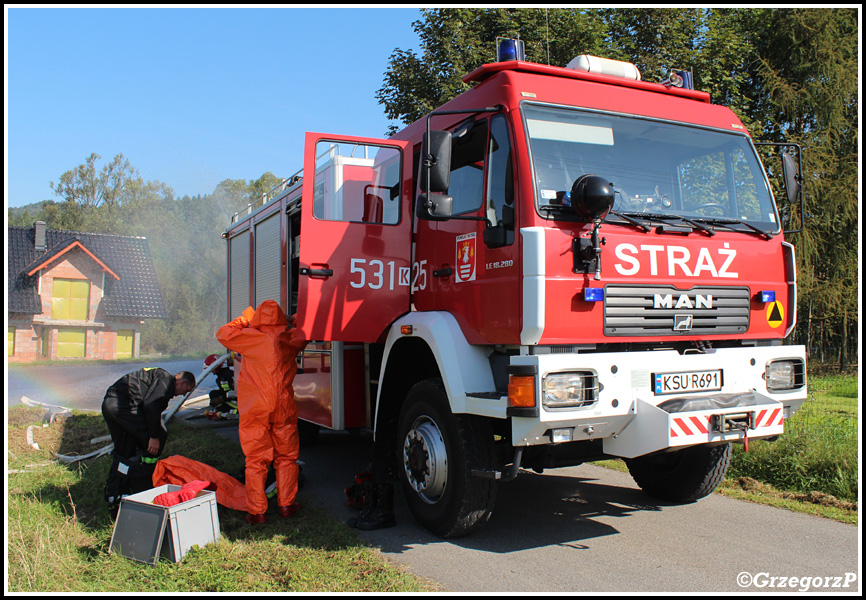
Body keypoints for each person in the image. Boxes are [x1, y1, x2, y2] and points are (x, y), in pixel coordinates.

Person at [216, 300, 307, 525]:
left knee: (256, 459)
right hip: (283, 406)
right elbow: (308, 325)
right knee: (286, 457)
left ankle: (257, 512)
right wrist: (290, 319)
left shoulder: (251, 337)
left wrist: (247, 317)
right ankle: (286, 504)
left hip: (256, 406)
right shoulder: (291, 337)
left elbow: (223, 333)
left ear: (258, 319)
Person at [102, 368, 196, 516]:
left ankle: (115, 494)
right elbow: (151, 405)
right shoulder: (166, 381)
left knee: (124, 451)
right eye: (186, 390)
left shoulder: (157, 378)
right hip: (124, 406)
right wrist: (153, 437)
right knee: (159, 437)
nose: (183, 395)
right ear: (182, 382)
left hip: (111, 405)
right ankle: (143, 479)